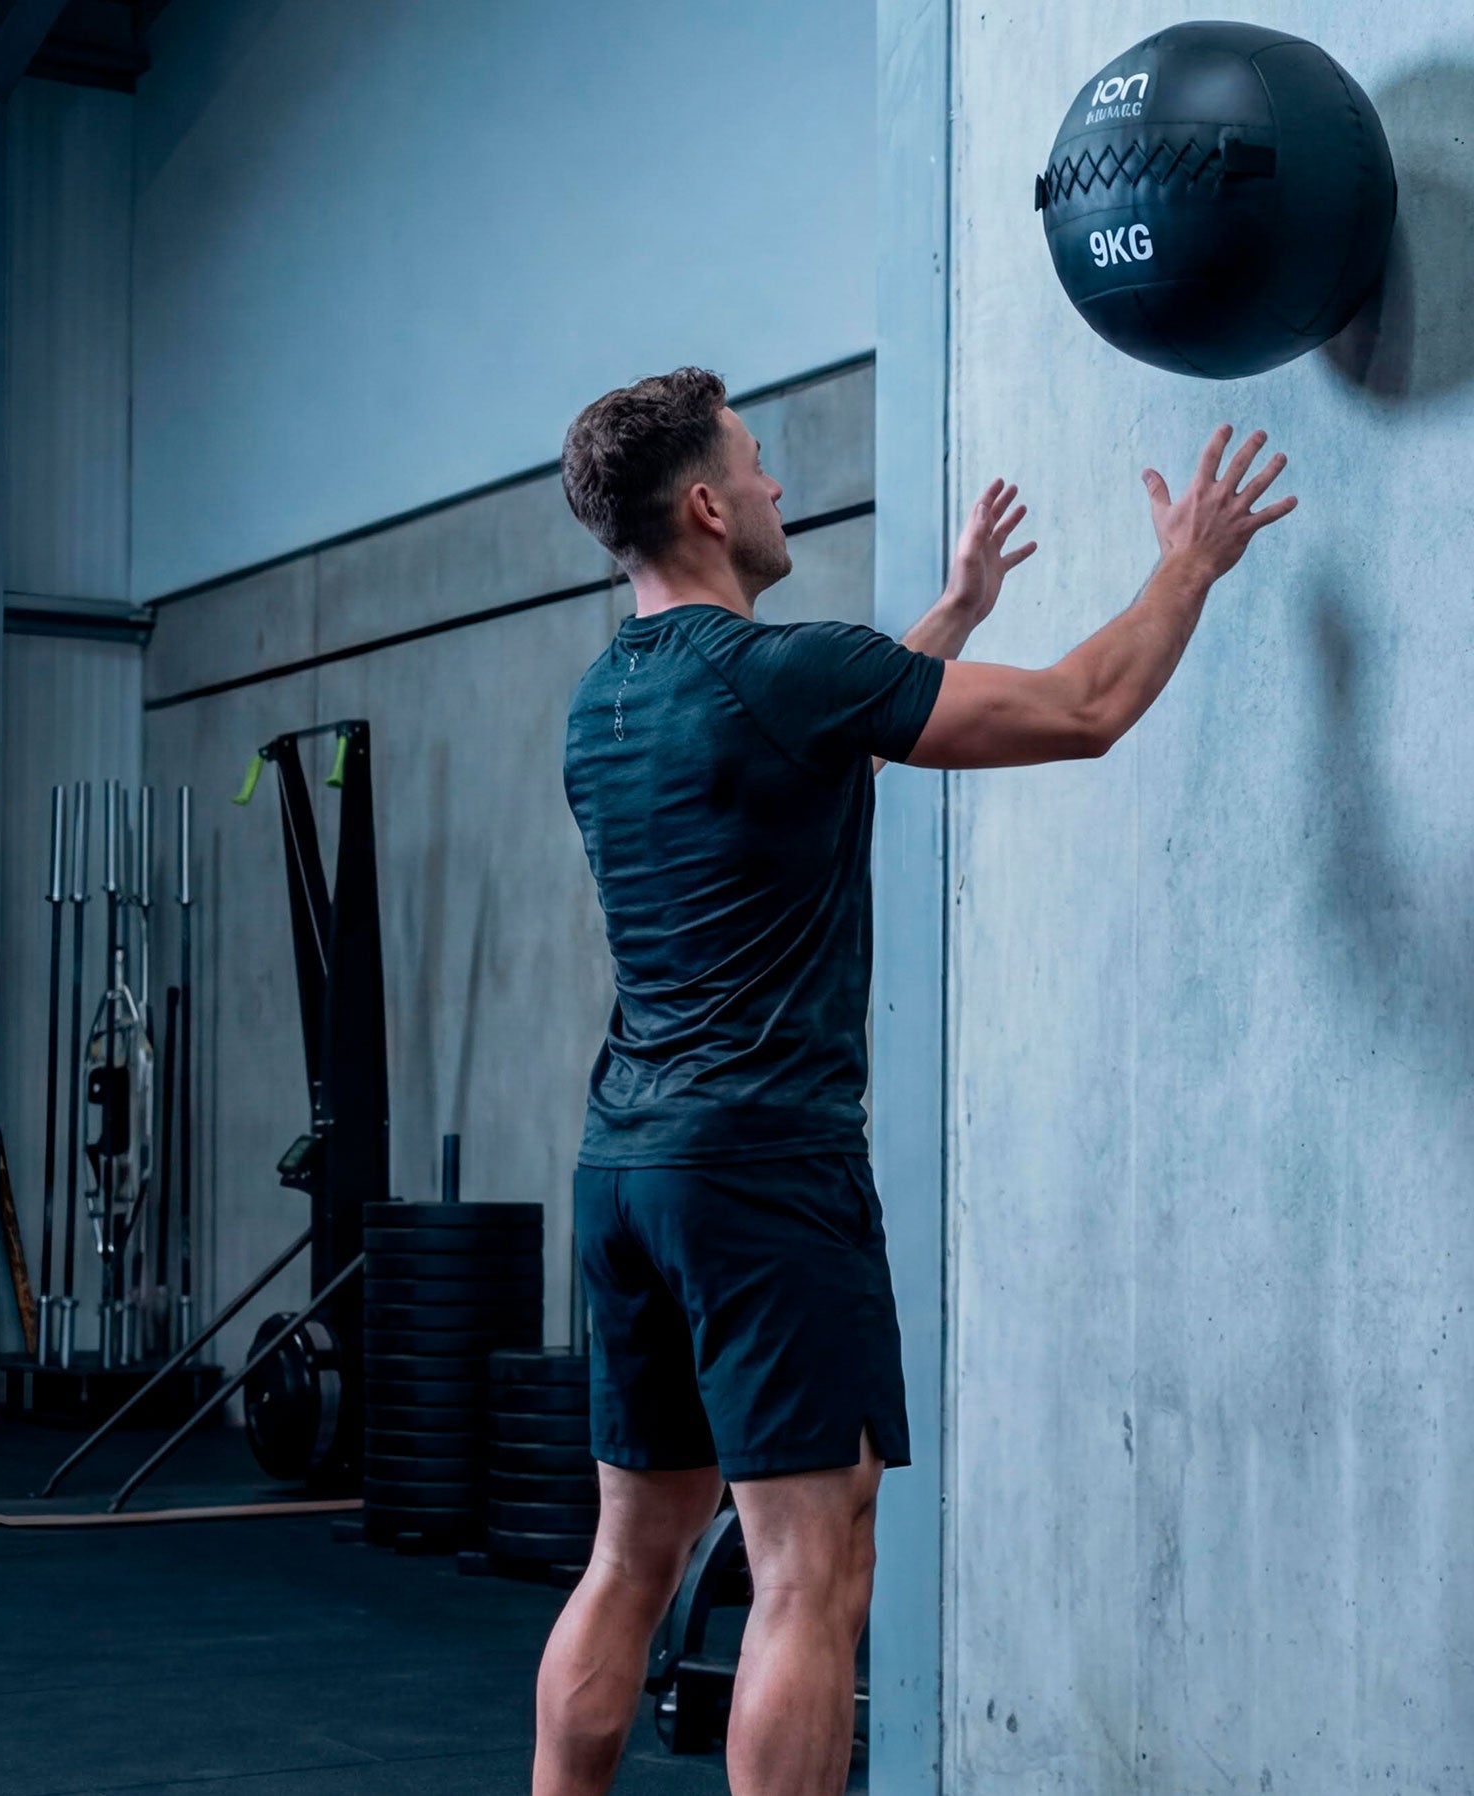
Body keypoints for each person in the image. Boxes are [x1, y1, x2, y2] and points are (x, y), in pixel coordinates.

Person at [535, 365, 1294, 1796]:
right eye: (755, 466)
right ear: (705, 502)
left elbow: (798, 756)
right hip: (765, 1174)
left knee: (629, 1560)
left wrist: (950, 620)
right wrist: (1188, 565)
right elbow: (1085, 708)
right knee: (810, 1576)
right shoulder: (789, 672)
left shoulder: (605, 707)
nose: (773, 486)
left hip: (626, 1172)